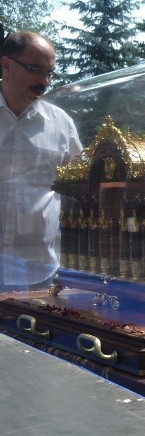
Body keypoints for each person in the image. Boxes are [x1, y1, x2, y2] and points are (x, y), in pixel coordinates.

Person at [0, 31, 82, 289]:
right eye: (35, 69)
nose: (44, 81)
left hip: (39, 268)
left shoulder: (61, 124)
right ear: (6, 65)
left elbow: (80, 188)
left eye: (50, 73)